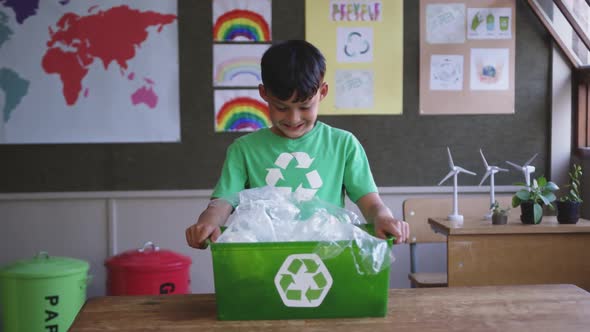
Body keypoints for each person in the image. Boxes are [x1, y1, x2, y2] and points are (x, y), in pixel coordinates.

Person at [186, 40, 409, 249]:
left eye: (304, 107)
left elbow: (371, 204)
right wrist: (208, 222)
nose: (293, 119)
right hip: (264, 256)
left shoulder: (343, 145)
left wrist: (384, 218)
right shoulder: (244, 149)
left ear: (322, 93)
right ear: (263, 93)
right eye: (281, 107)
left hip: (327, 254)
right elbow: (223, 202)